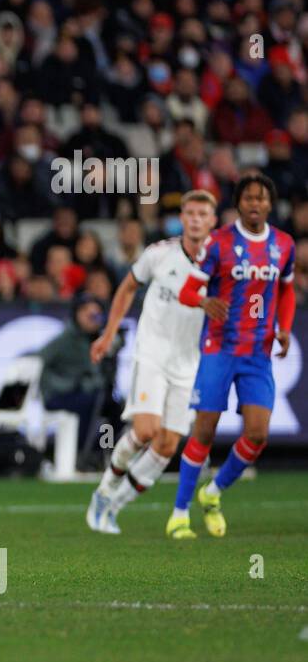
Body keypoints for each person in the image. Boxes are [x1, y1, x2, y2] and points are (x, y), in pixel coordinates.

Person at [169, 174, 296, 539]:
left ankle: (213, 493)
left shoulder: (284, 245)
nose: (255, 204)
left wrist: (283, 328)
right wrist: (203, 300)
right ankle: (179, 513)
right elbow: (187, 291)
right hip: (219, 349)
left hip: (258, 353)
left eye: (261, 198)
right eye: (248, 198)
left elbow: (286, 292)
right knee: (204, 430)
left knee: (257, 435)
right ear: (238, 203)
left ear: (270, 204)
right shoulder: (219, 243)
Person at [85, 190, 219, 534]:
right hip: (152, 352)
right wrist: (108, 332)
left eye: (203, 214)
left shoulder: (220, 266)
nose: (195, 219)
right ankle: (103, 491)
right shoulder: (159, 254)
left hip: (187, 362)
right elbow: (127, 288)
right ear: (182, 217)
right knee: (145, 430)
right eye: (190, 213)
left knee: (168, 444)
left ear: (213, 221)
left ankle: (116, 506)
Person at [38, 295, 121, 458]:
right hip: (61, 395)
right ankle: (79, 452)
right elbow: (38, 361)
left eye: (96, 315)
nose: (92, 319)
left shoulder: (101, 340)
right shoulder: (65, 340)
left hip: (90, 393)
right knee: (90, 404)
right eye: (87, 314)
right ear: (76, 314)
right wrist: (59, 384)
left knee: (113, 408)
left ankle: (103, 449)